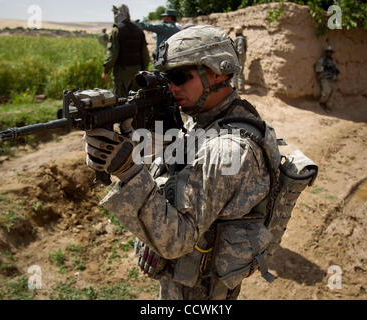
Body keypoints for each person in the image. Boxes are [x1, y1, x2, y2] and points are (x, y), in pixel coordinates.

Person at [84, 25, 281, 300]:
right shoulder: (217, 116)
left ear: (218, 72)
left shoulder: (228, 149)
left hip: (199, 290)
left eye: (179, 76)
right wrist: (130, 135)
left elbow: (177, 239)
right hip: (188, 277)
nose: (172, 87)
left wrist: (127, 171)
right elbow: (178, 166)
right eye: (166, 79)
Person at [102, 4, 150, 97]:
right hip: (137, 70)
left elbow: (113, 53)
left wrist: (106, 70)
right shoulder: (139, 30)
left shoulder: (117, 30)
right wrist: (145, 68)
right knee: (136, 99)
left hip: (122, 72)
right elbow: (145, 53)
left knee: (120, 103)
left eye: (115, 13)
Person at [315, 45, 340, 112]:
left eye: (331, 52)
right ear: (326, 52)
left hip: (331, 79)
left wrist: (335, 73)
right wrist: (325, 68)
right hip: (324, 78)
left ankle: (327, 105)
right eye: (328, 52)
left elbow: (336, 69)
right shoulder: (322, 60)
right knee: (326, 91)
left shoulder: (333, 61)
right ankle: (321, 103)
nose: (329, 53)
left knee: (333, 92)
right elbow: (317, 69)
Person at [231, 25, 247, 94]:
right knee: (240, 72)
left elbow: (240, 51)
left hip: (239, 58)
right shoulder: (242, 38)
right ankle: (240, 88)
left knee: (237, 72)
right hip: (240, 58)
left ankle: (238, 89)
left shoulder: (239, 39)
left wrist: (236, 58)